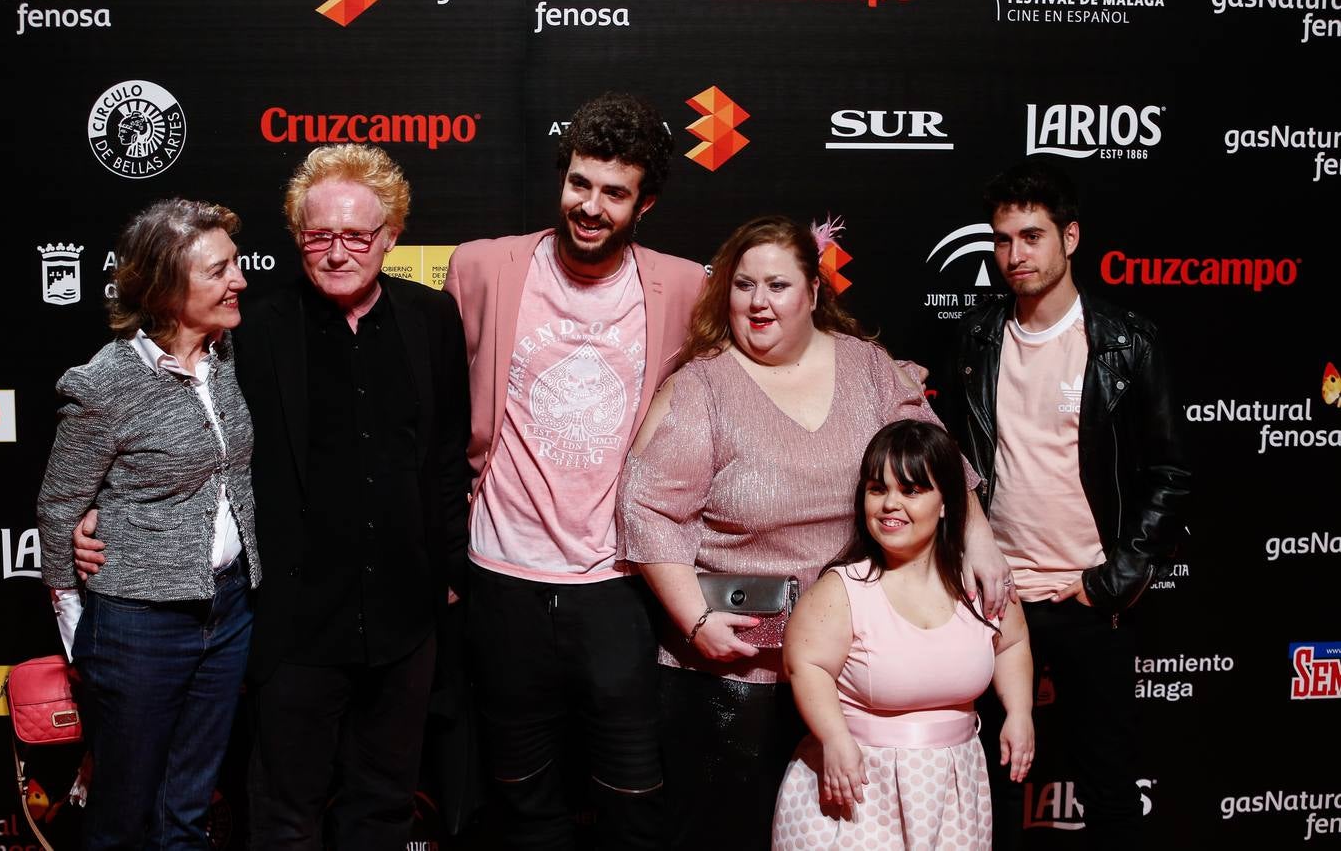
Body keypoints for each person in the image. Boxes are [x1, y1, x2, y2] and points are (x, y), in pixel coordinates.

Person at [73, 144, 472, 849]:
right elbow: (168, 408)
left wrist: (446, 575)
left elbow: (445, 459)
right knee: (285, 816)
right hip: (293, 624)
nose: (338, 252)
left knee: (382, 810)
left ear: (391, 235)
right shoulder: (250, 329)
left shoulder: (431, 318)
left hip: (406, 622)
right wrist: (114, 506)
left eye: (357, 236)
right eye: (320, 235)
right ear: (297, 237)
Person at [614, 214, 1012, 850]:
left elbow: (934, 458)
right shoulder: (705, 387)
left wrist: (982, 539)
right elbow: (647, 509)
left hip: (850, 675)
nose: (759, 301)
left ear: (814, 292)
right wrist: (695, 622)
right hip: (735, 671)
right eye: (744, 285)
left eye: (778, 285)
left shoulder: (868, 368)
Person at [442, 91, 705, 849]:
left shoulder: (685, 287)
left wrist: (889, 375)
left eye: (614, 193)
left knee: (633, 792)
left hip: (618, 585)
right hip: (501, 576)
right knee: (521, 797)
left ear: (644, 203)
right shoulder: (483, 268)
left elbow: (770, 358)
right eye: (579, 184)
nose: (590, 207)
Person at [950, 160, 1190, 849]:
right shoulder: (976, 338)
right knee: (991, 783)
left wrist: (1114, 581)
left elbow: (1172, 471)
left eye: (1032, 236)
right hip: (996, 602)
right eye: (1001, 240)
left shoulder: (1125, 342)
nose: (1014, 255)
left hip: (1089, 599)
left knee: (1109, 784)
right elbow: (960, 463)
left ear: (1071, 237)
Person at [37, 198, 260, 850]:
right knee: (123, 813)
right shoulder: (105, 383)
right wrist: (82, 639)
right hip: (137, 625)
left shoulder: (226, 354)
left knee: (188, 806)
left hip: (229, 611)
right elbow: (58, 509)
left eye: (237, 265)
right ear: (166, 290)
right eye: (219, 271)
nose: (239, 281)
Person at [771, 419, 1033, 850]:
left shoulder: (981, 585)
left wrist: (1020, 712)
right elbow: (806, 664)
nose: (890, 504)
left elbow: (1013, 643)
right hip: (857, 788)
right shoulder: (843, 589)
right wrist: (834, 739)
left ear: (948, 502)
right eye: (878, 489)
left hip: (953, 788)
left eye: (911, 491)